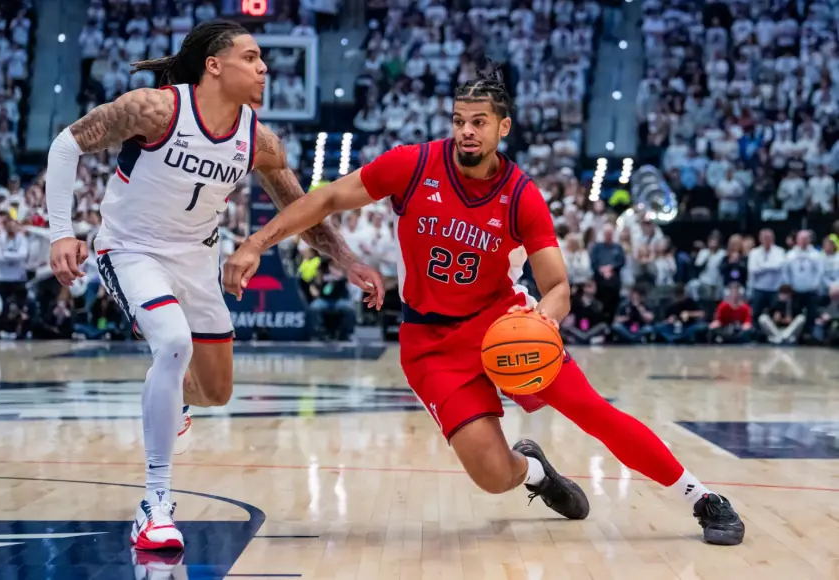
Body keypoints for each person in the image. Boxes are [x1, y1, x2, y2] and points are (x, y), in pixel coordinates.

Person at [223, 67, 745, 546]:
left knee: (592, 411)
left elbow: (557, 284)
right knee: (493, 476)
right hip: (429, 344)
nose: (466, 131)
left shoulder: (521, 196)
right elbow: (326, 198)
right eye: (458, 120)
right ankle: (536, 473)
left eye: (478, 122)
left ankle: (701, 498)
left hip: (503, 325)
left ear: (503, 128)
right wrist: (255, 243)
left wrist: (545, 317)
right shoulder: (412, 165)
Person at [45, 20, 383, 551]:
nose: (264, 67)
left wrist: (348, 259)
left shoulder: (258, 140)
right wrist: (61, 234)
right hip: (131, 249)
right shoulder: (155, 109)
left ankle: (175, 399)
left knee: (217, 392)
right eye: (251, 57)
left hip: (199, 261)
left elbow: (302, 212)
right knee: (173, 343)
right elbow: (68, 144)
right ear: (214, 65)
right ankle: (155, 504)